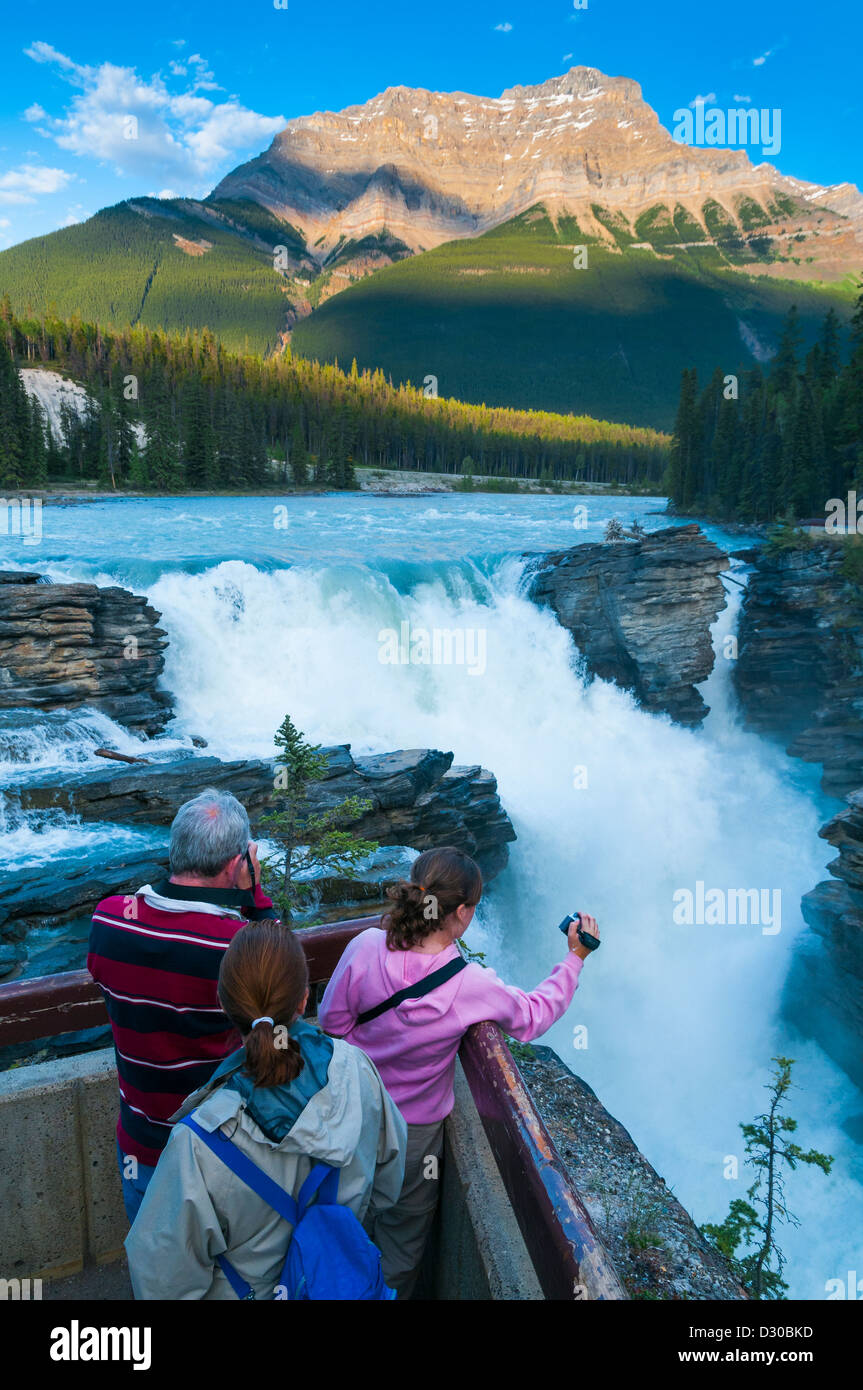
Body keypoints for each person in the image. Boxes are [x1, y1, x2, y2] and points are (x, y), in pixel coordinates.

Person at [318, 845, 600, 1299]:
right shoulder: (471, 986)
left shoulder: (365, 946)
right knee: (403, 1238)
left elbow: (333, 1025)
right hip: (414, 1135)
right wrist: (575, 958)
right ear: (464, 913)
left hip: (353, 1113)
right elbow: (533, 1016)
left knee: (344, 1213)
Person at [125, 921, 407, 1300]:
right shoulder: (356, 1070)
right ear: (304, 999)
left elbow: (163, 1281)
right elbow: (388, 1184)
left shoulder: (198, 1142)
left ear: (223, 1004)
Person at [88, 787, 277, 1222]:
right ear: (238, 865)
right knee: (232, 1277)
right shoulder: (241, 945)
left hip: (142, 1144)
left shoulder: (109, 919)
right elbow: (281, 971)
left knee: (157, 1269)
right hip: (222, 1143)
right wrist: (255, 895)